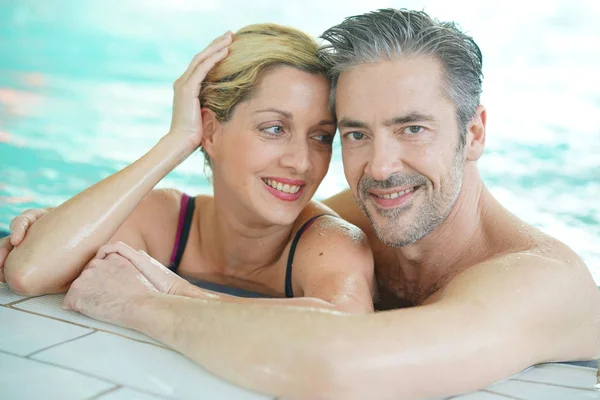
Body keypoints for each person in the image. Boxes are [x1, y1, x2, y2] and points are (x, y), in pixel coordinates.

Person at [2, 8, 599, 400]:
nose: (382, 166)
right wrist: (59, 226)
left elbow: (343, 368)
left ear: (473, 134)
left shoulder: (536, 282)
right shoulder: (367, 213)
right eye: (357, 134)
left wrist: (141, 302)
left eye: (413, 128)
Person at [0, 24, 376, 314]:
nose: (302, 161)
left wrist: (172, 292)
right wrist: (176, 141)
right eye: (274, 129)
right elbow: (27, 272)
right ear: (211, 131)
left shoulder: (328, 245)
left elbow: (345, 331)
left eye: (322, 137)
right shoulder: (167, 220)